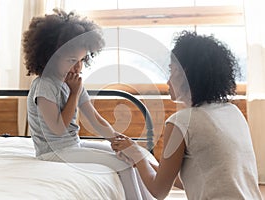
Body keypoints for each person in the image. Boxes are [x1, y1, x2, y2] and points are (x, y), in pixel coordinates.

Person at [111, 31, 263, 200]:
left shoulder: (181, 122)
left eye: (172, 71)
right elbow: (195, 178)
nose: (168, 81)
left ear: (186, 74)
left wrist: (138, 156)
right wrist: (142, 158)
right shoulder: (232, 112)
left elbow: (159, 191)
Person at [23, 8, 155, 200]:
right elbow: (58, 129)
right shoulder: (45, 85)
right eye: (71, 60)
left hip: (71, 145)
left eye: (82, 60)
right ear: (49, 57)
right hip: (52, 152)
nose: (78, 67)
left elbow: (94, 118)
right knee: (123, 165)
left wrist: (115, 139)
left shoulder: (72, 81)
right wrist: (74, 93)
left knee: (129, 156)